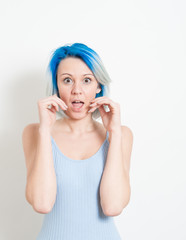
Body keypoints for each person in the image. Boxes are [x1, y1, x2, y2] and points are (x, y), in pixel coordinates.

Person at [22, 43, 133, 239]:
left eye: (87, 80)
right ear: (56, 86)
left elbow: (113, 206)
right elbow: (42, 203)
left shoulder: (121, 135)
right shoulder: (34, 133)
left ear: (98, 86)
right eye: (67, 80)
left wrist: (114, 132)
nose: (77, 90)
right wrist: (45, 129)